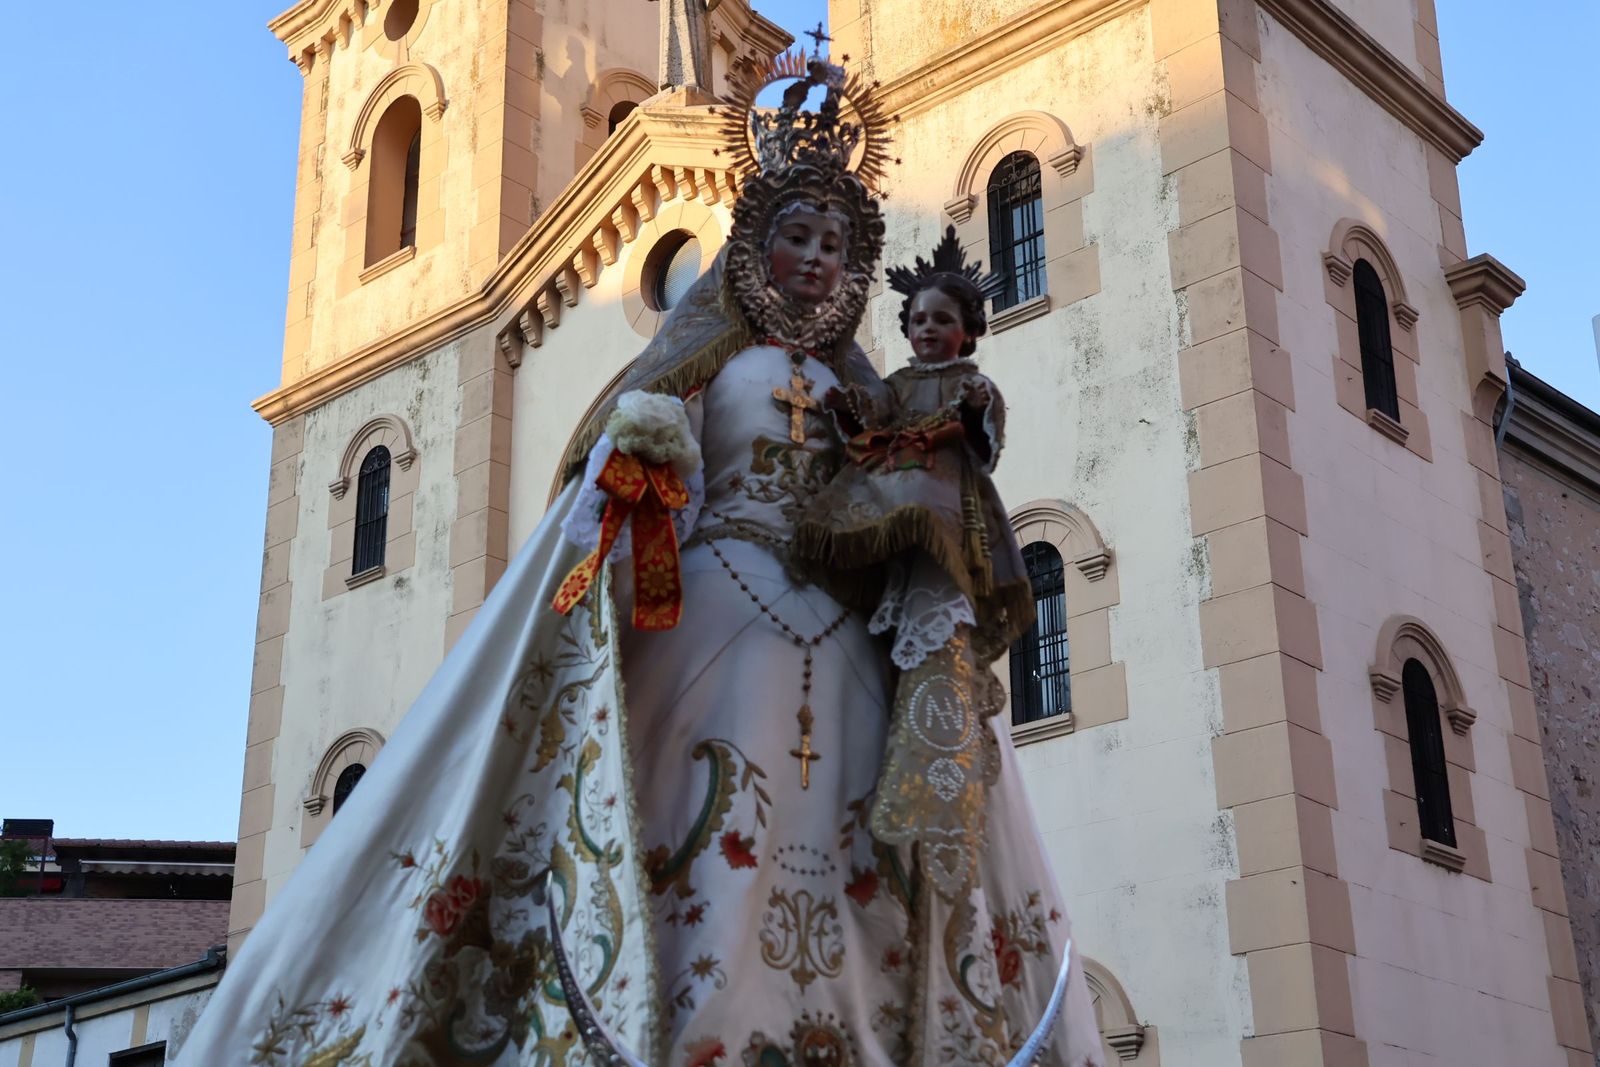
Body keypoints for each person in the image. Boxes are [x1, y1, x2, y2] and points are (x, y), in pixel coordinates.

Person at [174, 58, 1104, 1067]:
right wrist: (644, 454)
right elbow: (637, 457)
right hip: (712, 600)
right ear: (755, 246)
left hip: (839, 627)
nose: (815, 261)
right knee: (682, 820)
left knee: (856, 836)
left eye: (835, 245)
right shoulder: (707, 354)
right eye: (795, 237)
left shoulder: (865, 390)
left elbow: (911, 483)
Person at [793, 227, 1033, 906]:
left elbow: (984, 449)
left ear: (968, 332)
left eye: (943, 321)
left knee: (934, 603)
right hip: (892, 509)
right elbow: (871, 420)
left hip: (944, 517)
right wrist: (848, 409)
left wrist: (980, 414)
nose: (929, 329)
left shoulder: (971, 384)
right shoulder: (897, 383)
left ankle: (932, 748)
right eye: (919, 319)